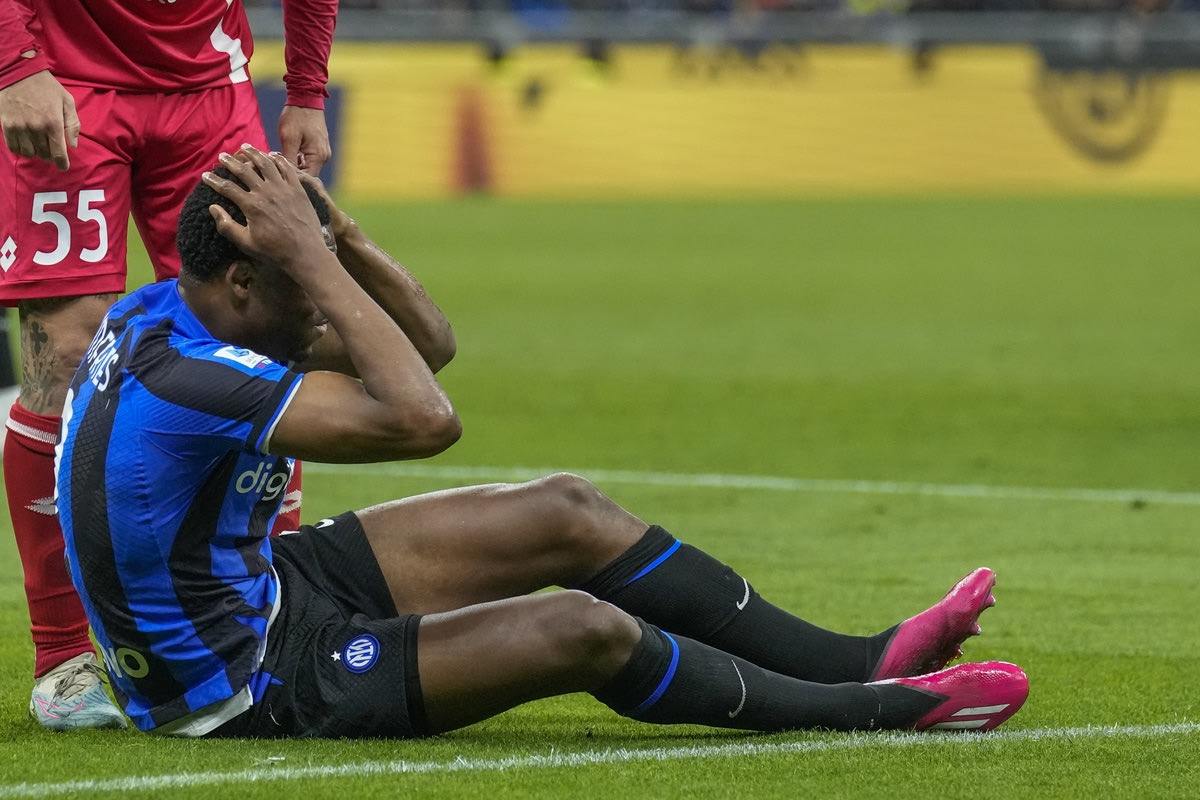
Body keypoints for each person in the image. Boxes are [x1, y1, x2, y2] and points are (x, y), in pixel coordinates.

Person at [54, 146, 1029, 738]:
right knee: (580, 629)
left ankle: (861, 659)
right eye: (300, 290)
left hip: (263, 586)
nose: (318, 310)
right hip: (239, 682)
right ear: (242, 281)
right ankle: (875, 712)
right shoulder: (188, 379)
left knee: (566, 508)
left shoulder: (181, 311)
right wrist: (314, 261)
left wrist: (335, 236)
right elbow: (426, 419)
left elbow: (427, 350)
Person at [0, 0, 336, 729]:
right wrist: (15, 65)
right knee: (65, 358)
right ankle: (63, 659)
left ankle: (283, 613)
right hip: (68, 81)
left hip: (210, 88)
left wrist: (307, 89)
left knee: (260, 337)